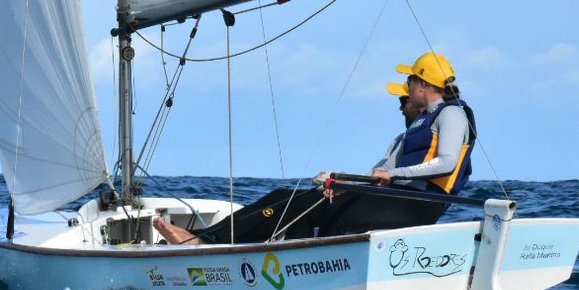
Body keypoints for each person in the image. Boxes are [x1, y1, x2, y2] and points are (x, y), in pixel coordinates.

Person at [153, 85, 436, 245]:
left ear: (420, 106)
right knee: (285, 197)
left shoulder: (420, 135)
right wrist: (342, 184)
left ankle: (203, 242)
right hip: (371, 196)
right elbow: (374, 177)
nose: (400, 106)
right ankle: (211, 239)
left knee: (287, 201)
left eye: (404, 100)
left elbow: (393, 179)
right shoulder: (403, 138)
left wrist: (347, 187)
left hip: (387, 203)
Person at [372, 51, 478, 198]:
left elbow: (447, 163)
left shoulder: (451, 113)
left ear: (422, 84)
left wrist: (393, 174)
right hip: (400, 195)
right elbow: (386, 168)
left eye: (410, 81)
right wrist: (346, 183)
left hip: (423, 201)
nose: (407, 88)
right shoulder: (420, 121)